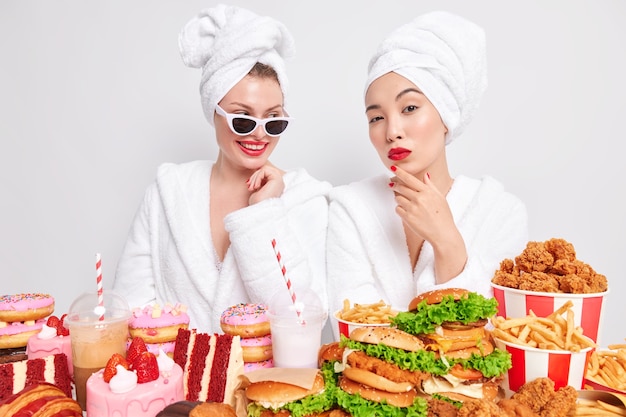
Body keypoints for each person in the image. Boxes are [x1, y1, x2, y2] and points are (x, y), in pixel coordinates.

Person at [114, 5, 331, 333]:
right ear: (213, 113)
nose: (259, 134)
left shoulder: (305, 198)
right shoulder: (168, 193)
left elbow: (303, 322)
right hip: (177, 378)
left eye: (274, 121)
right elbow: (130, 308)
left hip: (267, 381)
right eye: (243, 119)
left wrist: (263, 212)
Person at [327, 11, 528, 339]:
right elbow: (353, 331)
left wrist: (447, 241)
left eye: (409, 108)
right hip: (373, 390)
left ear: (446, 114)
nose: (392, 131)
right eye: (376, 118)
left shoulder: (500, 212)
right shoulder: (350, 208)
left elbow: (488, 338)